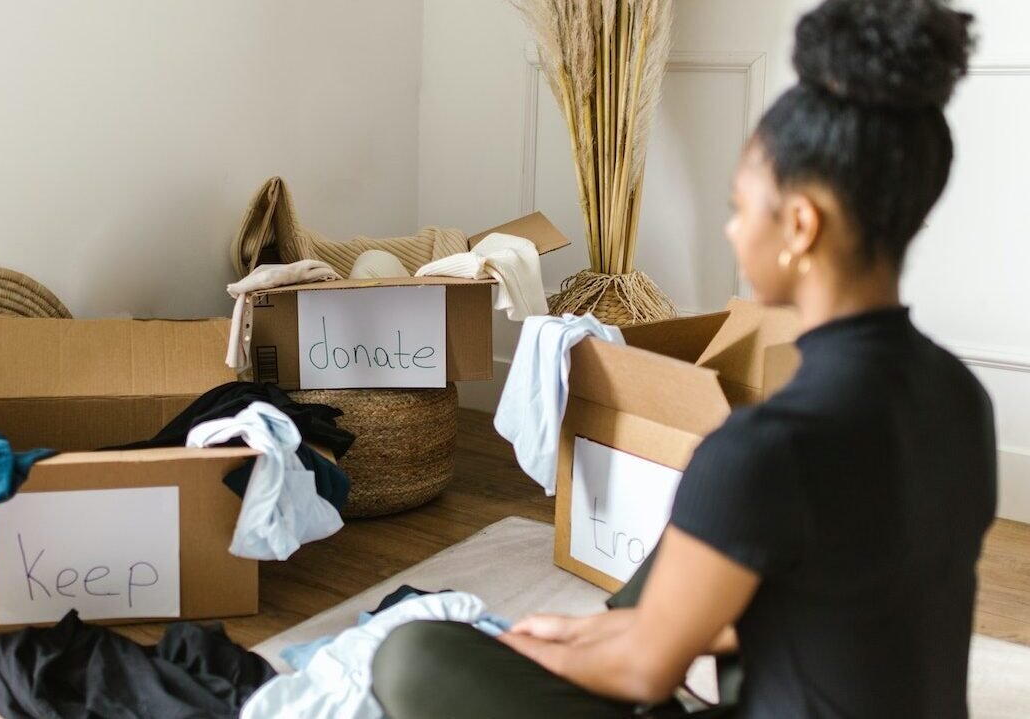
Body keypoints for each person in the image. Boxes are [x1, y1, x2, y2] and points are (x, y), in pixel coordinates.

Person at [371, 1, 995, 717]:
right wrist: (610, 631)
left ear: (799, 224)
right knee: (707, 544)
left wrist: (531, 645)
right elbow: (856, 598)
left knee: (413, 656)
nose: (731, 229)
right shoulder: (958, 394)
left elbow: (643, 672)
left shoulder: (767, 445)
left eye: (739, 206)